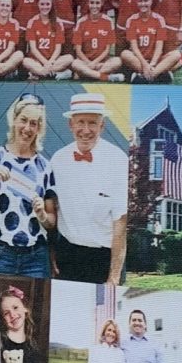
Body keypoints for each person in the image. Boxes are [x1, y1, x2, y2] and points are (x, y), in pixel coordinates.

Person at [43, 93, 129, 285]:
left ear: (102, 126)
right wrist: (51, 253)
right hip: (66, 254)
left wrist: (113, 276)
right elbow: (52, 210)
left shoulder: (118, 161)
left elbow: (121, 224)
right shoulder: (58, 159)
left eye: (92, 123)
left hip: (102, 259)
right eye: (80, 122)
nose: (86, 130)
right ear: (70, 125)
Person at [0, 94, 54, 279]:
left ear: (39, 129)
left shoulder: (45, 166)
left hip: (35, 259)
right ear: (14, 120)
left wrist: (43, 215)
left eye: (34, 123)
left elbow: (52, 222)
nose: (27, 128)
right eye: (23, 120)